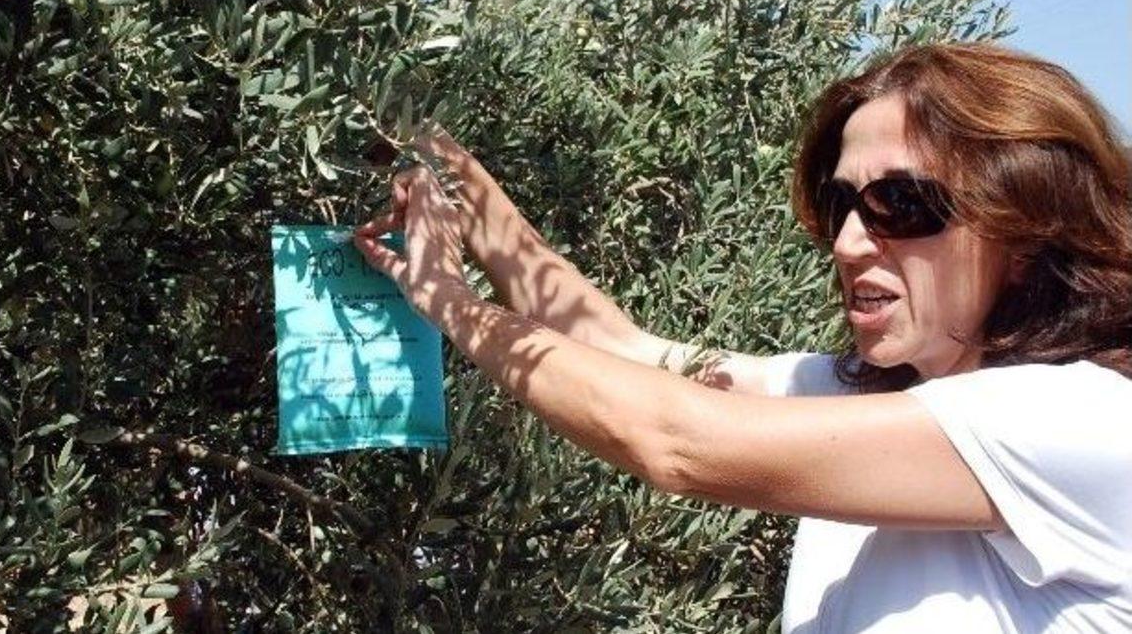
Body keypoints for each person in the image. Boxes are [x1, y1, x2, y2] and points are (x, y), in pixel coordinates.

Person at [352, 42, 1132, 632]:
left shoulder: (1078, 420)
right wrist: (437, 154)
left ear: (1024, 233)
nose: (848, 242)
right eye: (842, 205)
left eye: (899, 202)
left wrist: (452, 303)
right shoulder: (860, 396)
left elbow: (676, 439)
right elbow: (628, 350)